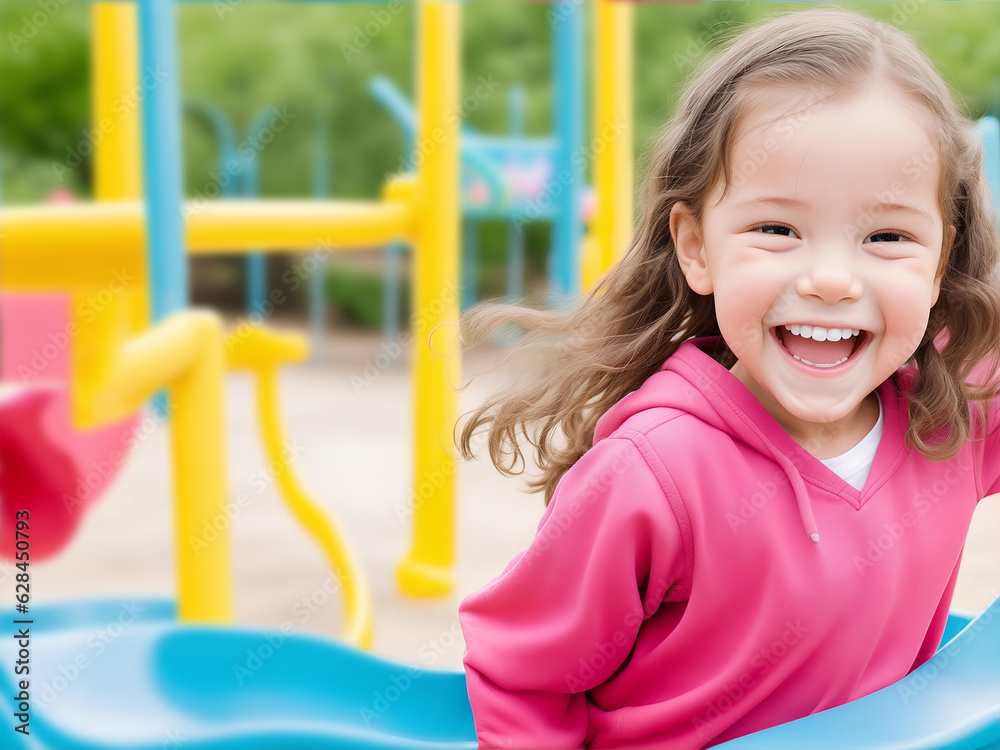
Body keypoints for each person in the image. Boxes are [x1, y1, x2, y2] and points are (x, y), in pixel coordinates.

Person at [453, 6, 1000, 749]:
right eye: (777, 229)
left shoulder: (952, 415)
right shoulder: (652, 473)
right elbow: (524, 671)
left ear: (940, 262)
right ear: (696, 247)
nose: (833, 279)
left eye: (887, 237)